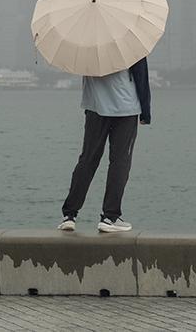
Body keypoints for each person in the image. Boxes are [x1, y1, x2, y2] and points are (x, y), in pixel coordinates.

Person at [57, 56, 151, 233]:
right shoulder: (128, 41)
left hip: (95, 107)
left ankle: (69, 215)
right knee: (120, 162)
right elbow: (141, 76)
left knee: (87, 160)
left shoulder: (85, 43)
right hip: (126, 108)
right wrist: (146, 112)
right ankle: (110, 216)